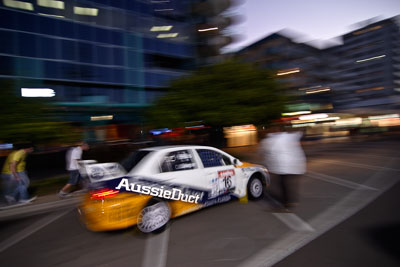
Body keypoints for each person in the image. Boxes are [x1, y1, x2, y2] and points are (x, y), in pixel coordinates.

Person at [261, 125, 306, 210]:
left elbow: (271, 153)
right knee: (288, 184)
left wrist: (269, 165)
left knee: (283, 185)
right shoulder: (289, 136)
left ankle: (287, 203)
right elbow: (299, 134)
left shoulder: (275, 140)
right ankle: (291, 201)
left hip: (283, 167)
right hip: (293, 166)